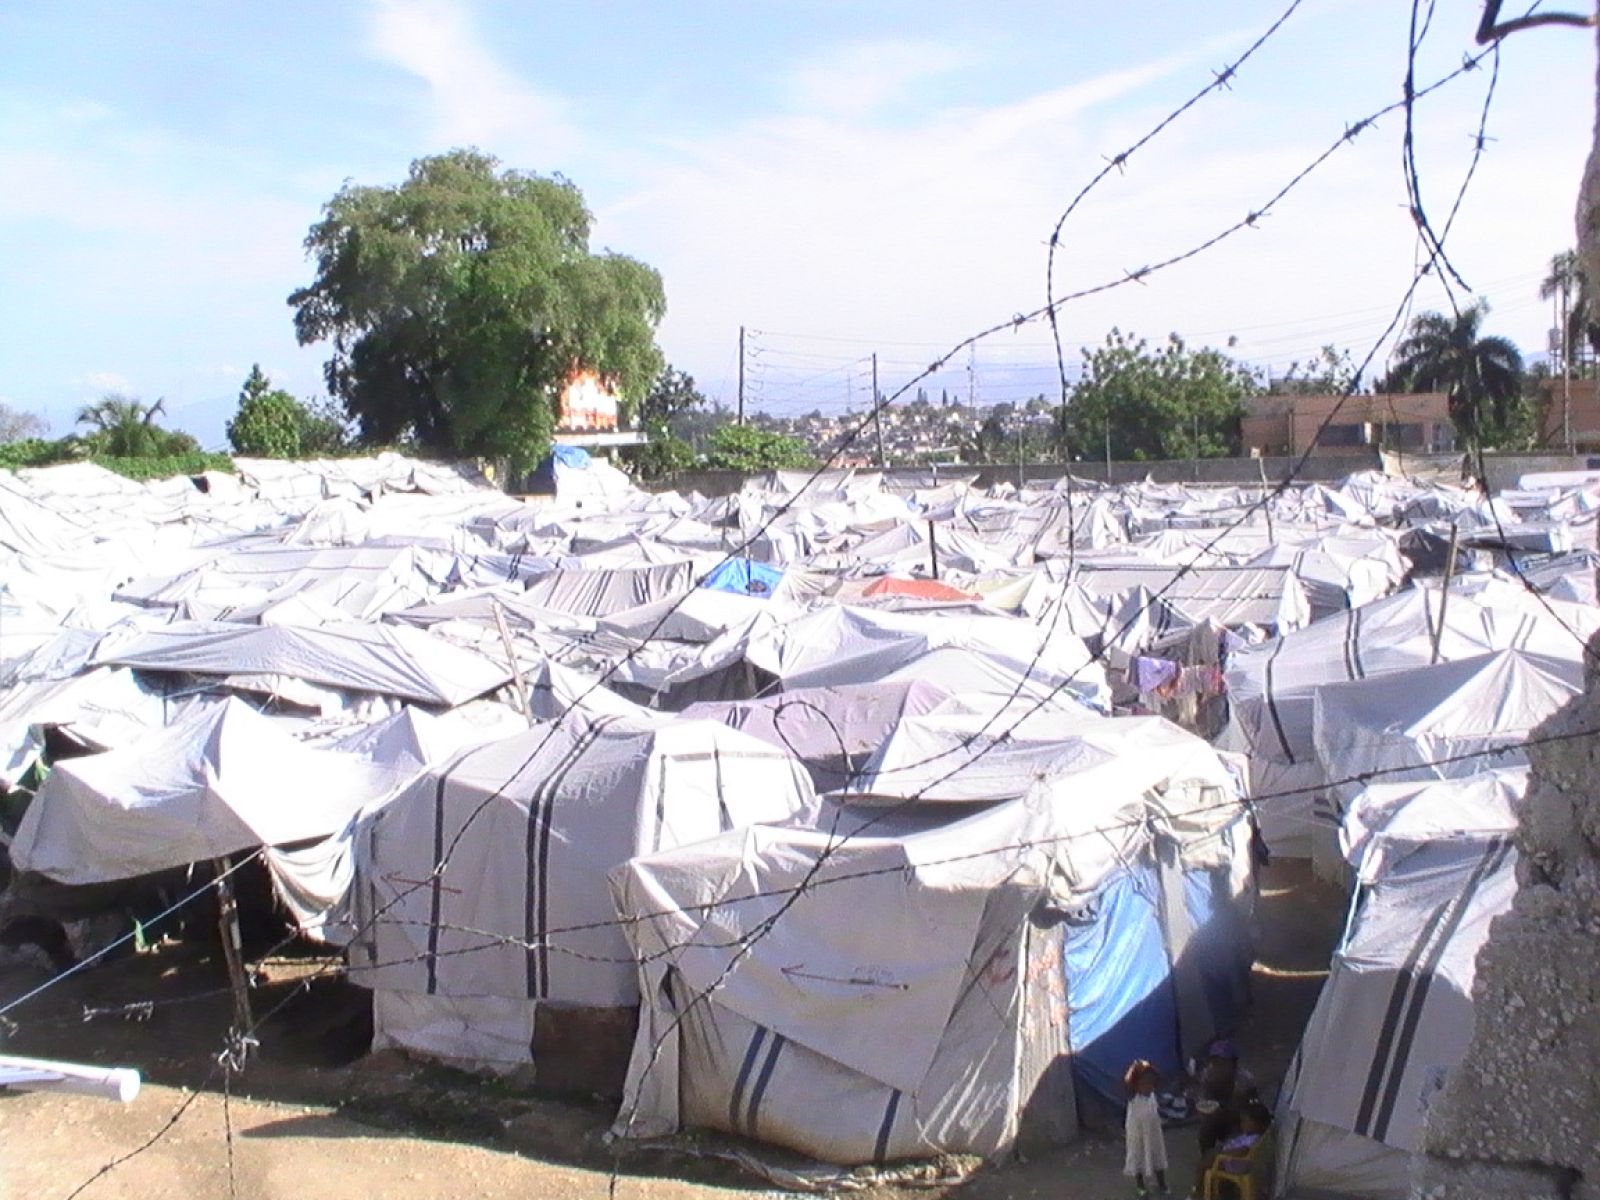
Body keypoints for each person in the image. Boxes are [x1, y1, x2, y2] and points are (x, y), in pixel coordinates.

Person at [1189, 1099, 1272, 1198]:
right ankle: (1200, 1188)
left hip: (1233, 1163)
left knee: (1205, 1163)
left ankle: (1197, 1191)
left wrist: (1223, 1153)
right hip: (1233, 1160)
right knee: (1208, 1156)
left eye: (1245, 1122)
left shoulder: (1253, 1139)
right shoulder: (1252, 1135)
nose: (1242, 1124)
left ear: (1258, 1125)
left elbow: (1243, 1150)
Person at [1192, 1038, 1258, 1157]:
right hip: (1218, 1116)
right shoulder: (1208, 1076)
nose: (1219, 1067)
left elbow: (1250, 1109)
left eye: (1224, 1063)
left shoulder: (1244, 1080)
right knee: (1205, 1130)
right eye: (1215, 1063)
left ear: (1233, 1064)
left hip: (1241, 1119)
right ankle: (1207, 1158)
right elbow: (1203, 1099)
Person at [1123, 1059, 1169, 1197]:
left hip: (1154, 1134)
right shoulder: (1133, 1099)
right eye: (1145, 1084)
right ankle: (1140, 1186)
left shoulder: (1152, 1097)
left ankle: (1162, 1183)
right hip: (1137, 1134)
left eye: (1152, 1084)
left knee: (1158, 1156)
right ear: (1136, 1085)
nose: (1149, 1087)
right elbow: (1126, 1084)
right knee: (1138, 1157)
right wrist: (1134, 1070)